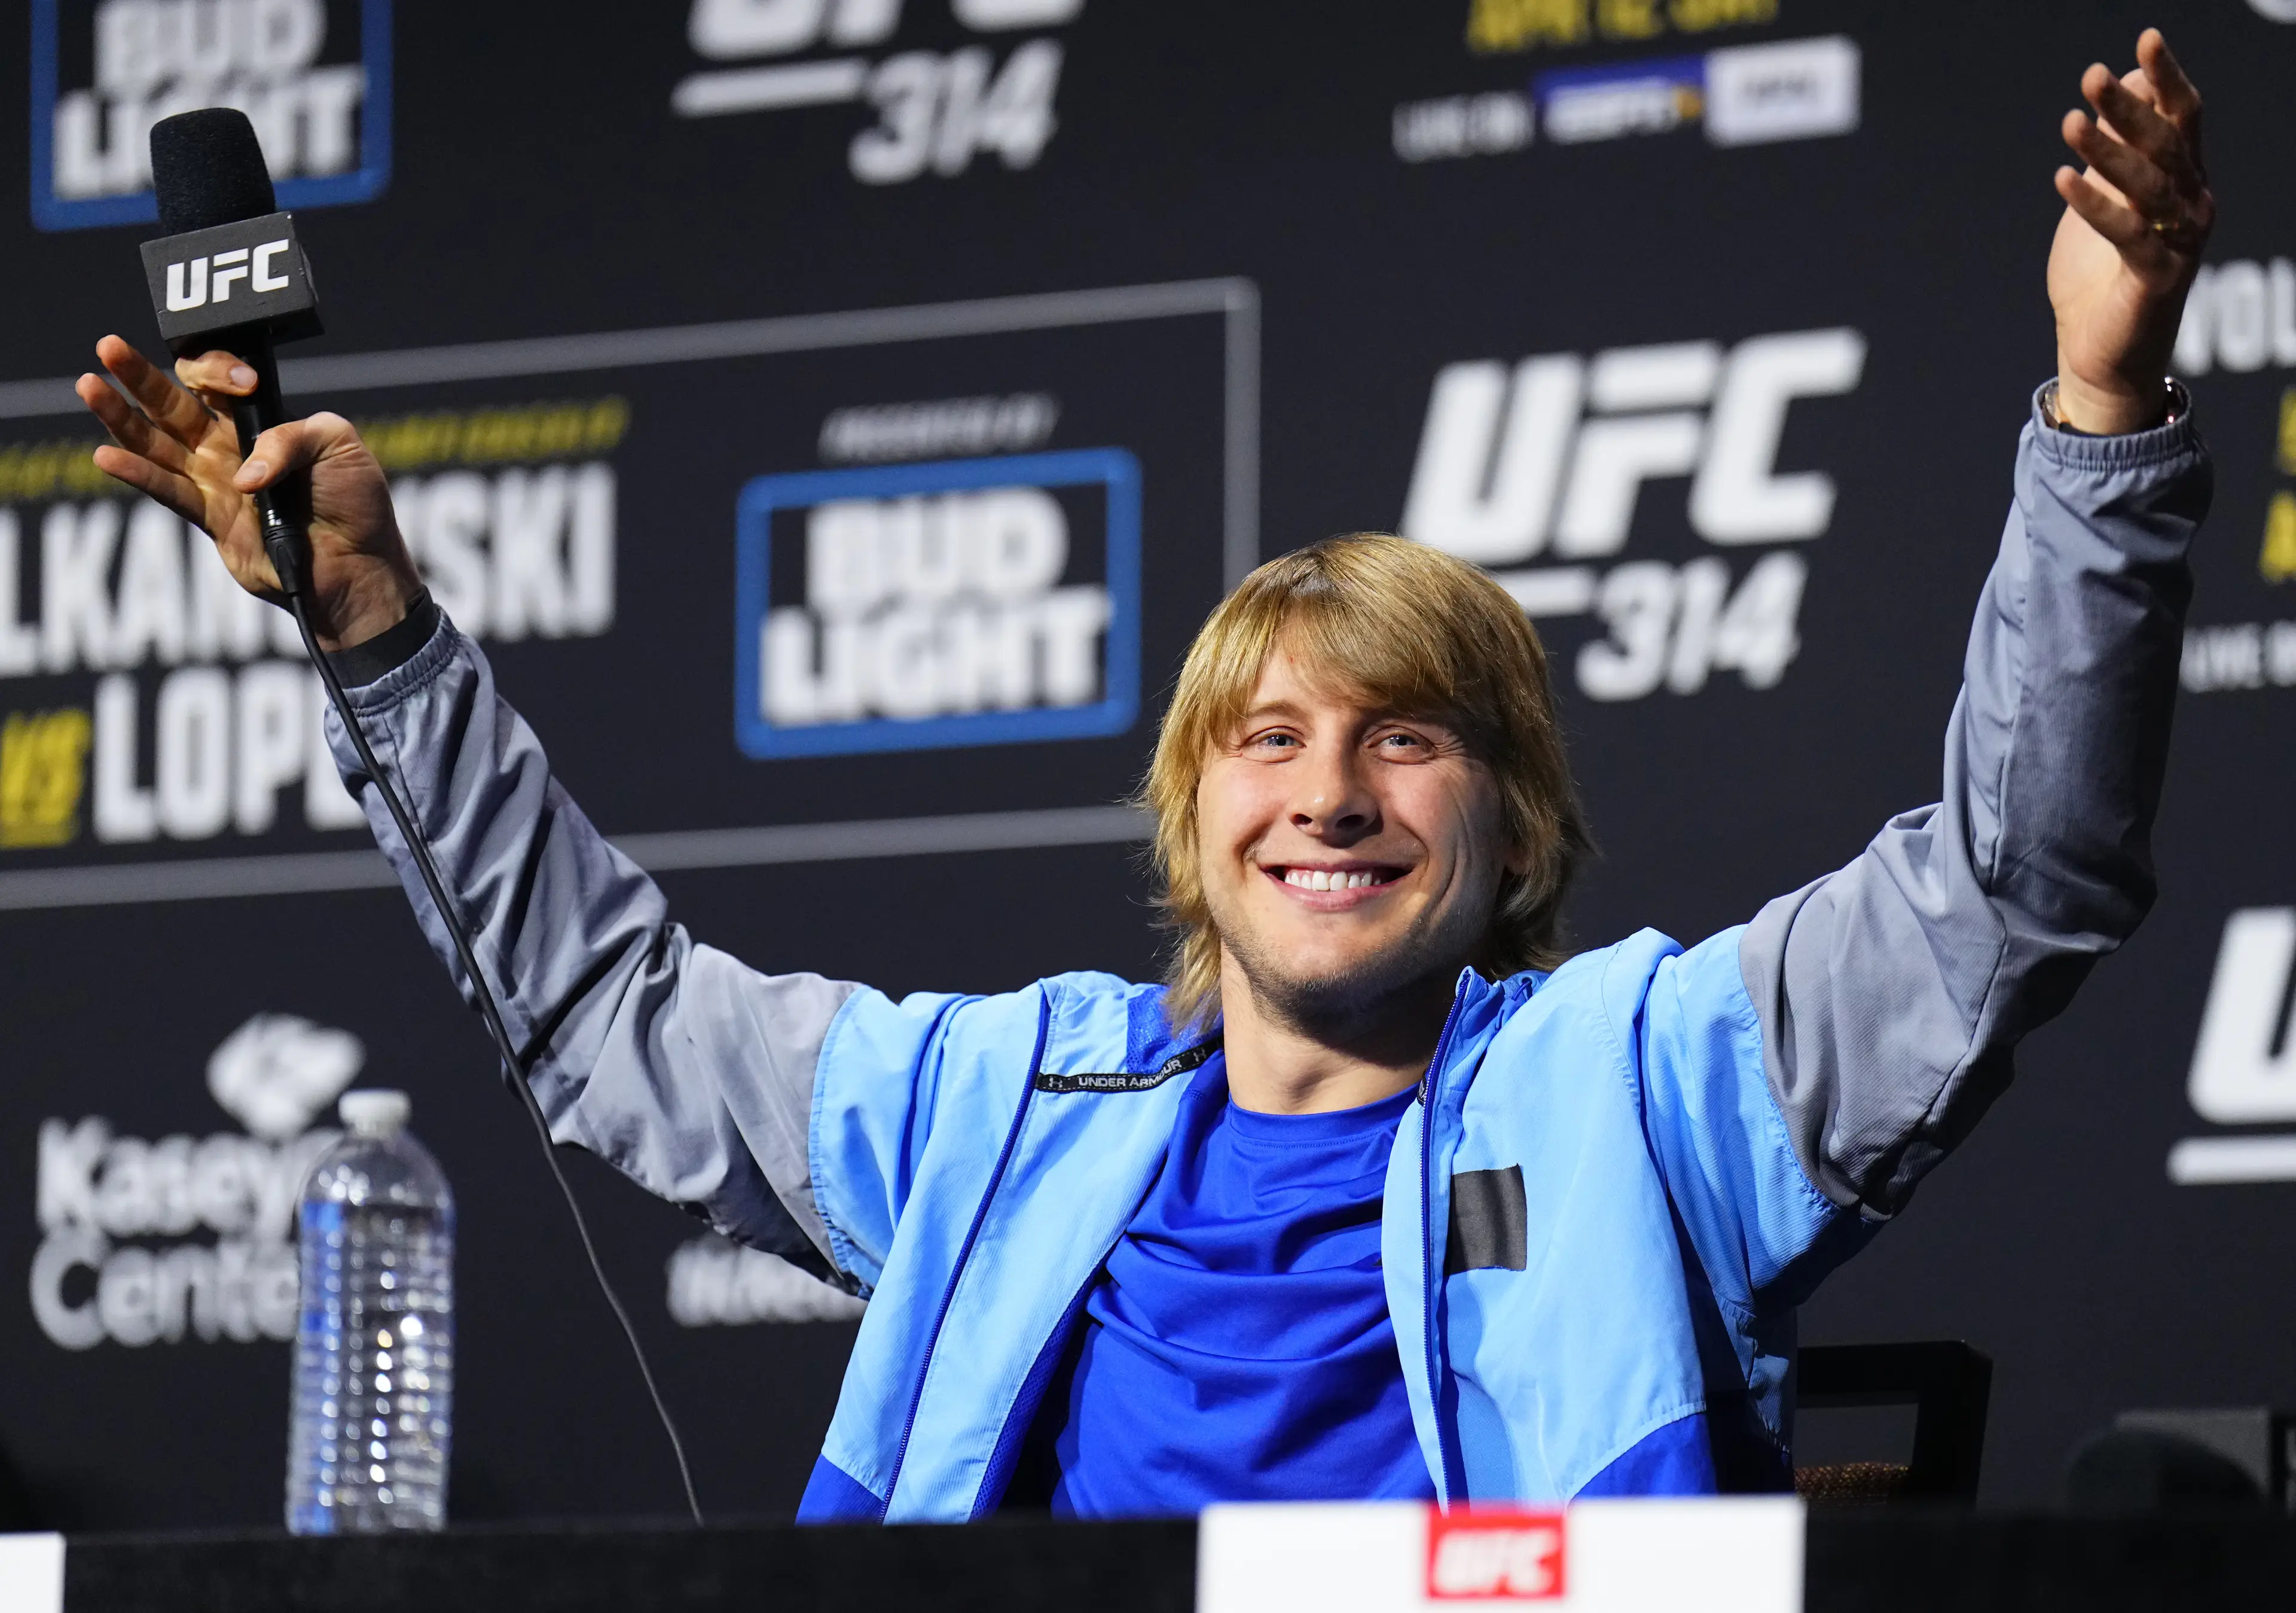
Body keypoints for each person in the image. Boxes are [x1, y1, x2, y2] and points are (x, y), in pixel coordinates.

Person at [78, 31, 2214, 1519]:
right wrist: (374, 633)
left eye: (1407, 737)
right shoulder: (991, 1110)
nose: (1331, 793)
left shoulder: (1639, 1079)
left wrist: (2100, 411)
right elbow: (607, 1012)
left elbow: (2014, 883)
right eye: (1266, 740)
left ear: (1519, 824)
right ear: (1194, 819)